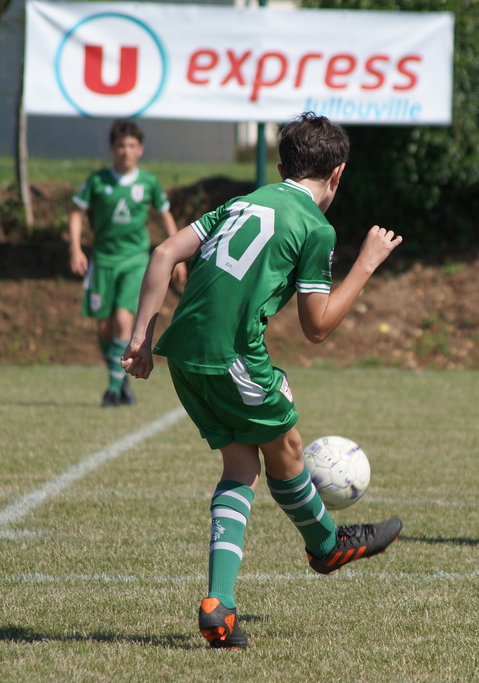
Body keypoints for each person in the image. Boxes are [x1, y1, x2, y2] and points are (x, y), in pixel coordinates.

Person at [121, 112, 404, 650]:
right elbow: (317, 327)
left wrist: (141, 337)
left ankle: (221, 607)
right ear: (338, 174)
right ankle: (325, 545)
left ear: (280, 169)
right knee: (285, 448)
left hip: (183, 353)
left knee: (246, 464)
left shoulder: (242, 202)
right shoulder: (316, 227)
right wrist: (366, 264)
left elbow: (163, 253)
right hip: (231, 356)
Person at [68, 119, 187, 408]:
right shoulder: (97, 181)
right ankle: (119, 380)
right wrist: (75, 249)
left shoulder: (148, 182)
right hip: (103, 261)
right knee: (104, 328)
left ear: (140, 149)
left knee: (124, 319)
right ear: (112, 148)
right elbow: (76, 212)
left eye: (132, 146)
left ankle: (112, 389)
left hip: (135, 261)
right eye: (121, 145)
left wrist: (178, 256)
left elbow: (165, 215)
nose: (126, 151)